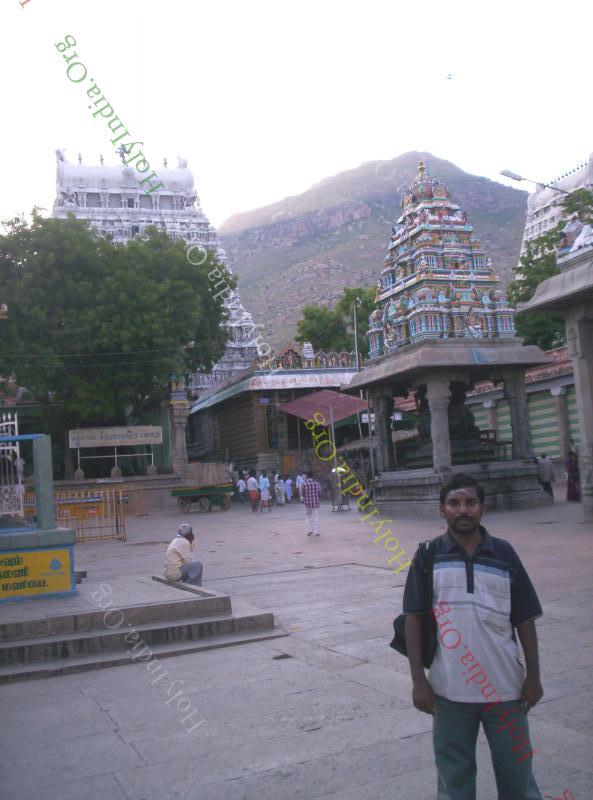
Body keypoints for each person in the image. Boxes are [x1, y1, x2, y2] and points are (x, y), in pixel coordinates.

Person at [403, 473, 544, 800]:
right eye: (454, 503)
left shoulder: (505, 554)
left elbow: (525, 618)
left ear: (483, 508)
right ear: (442, 510)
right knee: (455, 784)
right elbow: (413, 619)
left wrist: (533, 677)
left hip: (506, 691)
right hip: (449, 693)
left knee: (518, 780)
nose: (462, 509)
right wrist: (418, 681)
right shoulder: (428, 555)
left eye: (470, 502)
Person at [301, 471, 321, 536]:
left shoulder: (304, 484)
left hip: (308, 503)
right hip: (316, 503)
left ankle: (310, 530)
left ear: (307, 476)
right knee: (316, 517)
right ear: (312, 476)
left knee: (308, 516)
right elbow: (319, 493)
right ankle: (317, 532)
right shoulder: (317, 483)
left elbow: (303, 494)